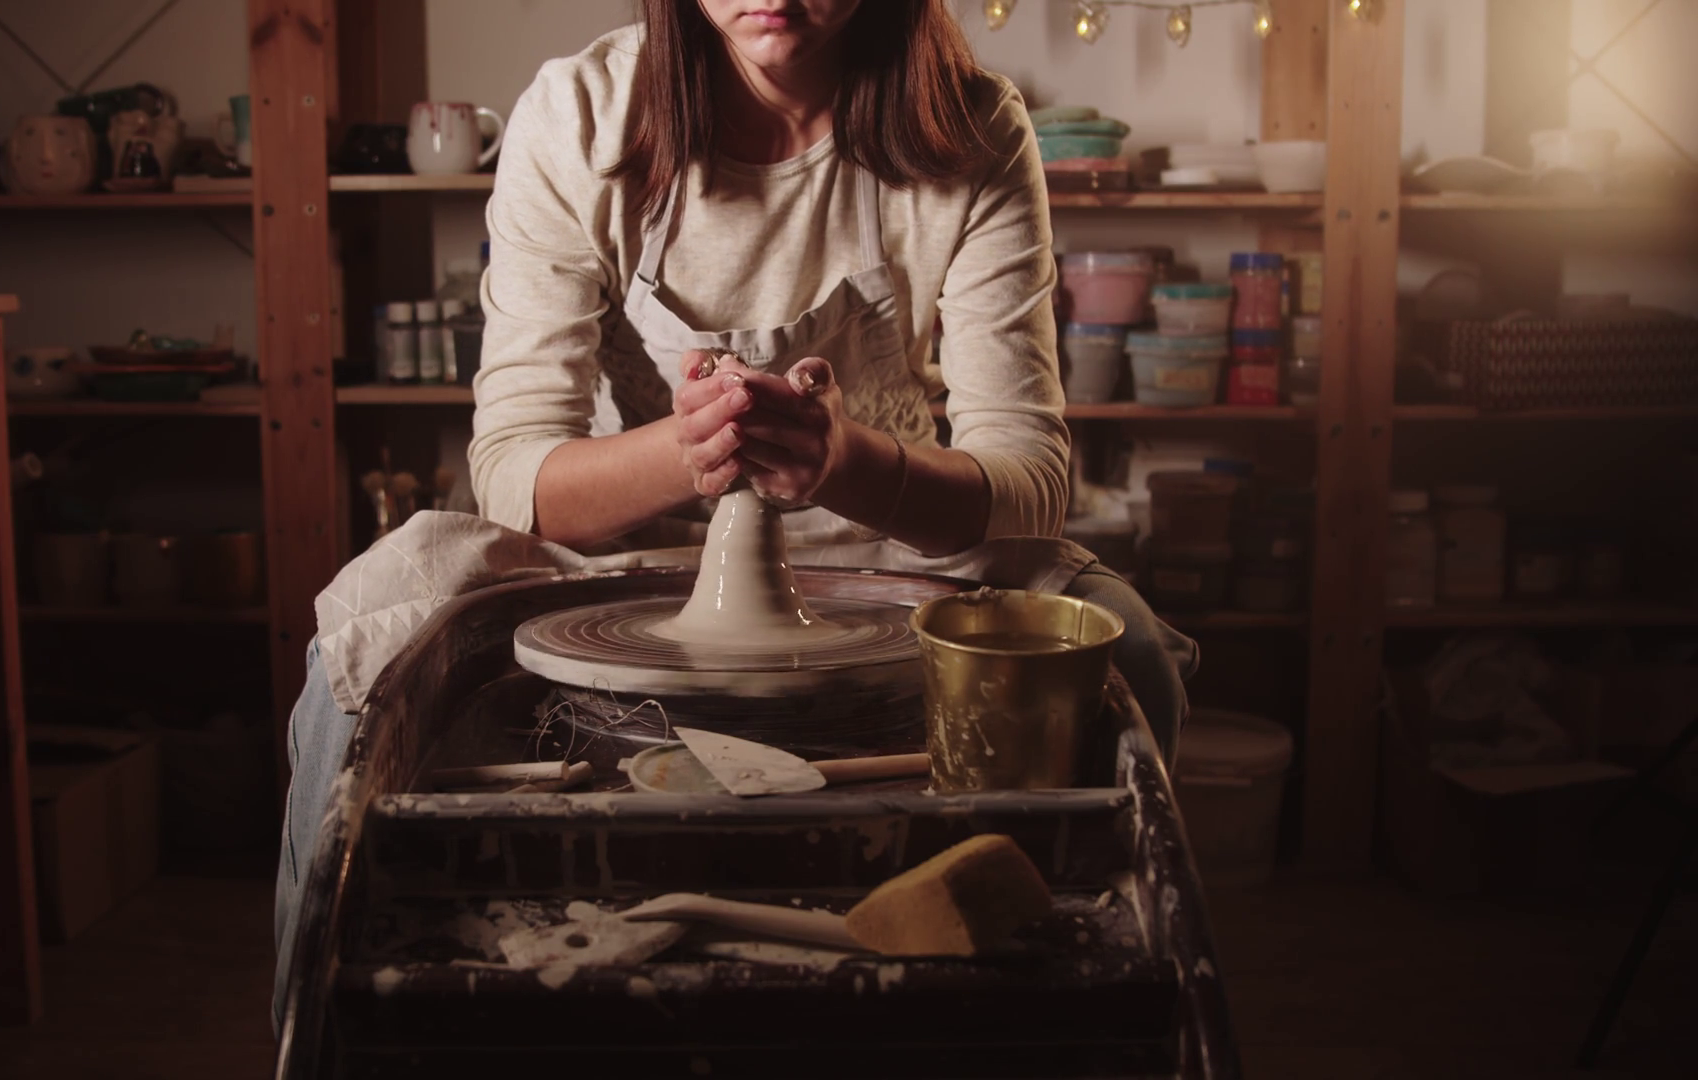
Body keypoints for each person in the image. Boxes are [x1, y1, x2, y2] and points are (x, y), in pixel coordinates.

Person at [273, 0, 1196, 1027]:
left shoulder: (970, 128)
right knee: (366, 632)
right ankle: (317, 1025)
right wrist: (687, 452)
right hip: (617, 568)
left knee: (1127, 649)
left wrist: (846, 465)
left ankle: (1085, 1011)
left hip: (893, 556)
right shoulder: (583, 117)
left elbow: (1028, 480)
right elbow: (513, 476)